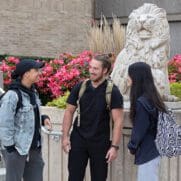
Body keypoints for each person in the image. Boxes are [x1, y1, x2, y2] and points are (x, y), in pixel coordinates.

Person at [62, 54, 124, 181]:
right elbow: (69, 111)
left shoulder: (113, 91)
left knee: (99, 178)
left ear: (105, 70)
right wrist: (65, 137)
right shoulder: (81, 87)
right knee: (74, 177)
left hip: (100, 142)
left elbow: (118, 121)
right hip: (78, 140)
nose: (91, 71)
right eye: (90, 67)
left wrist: (114, 147)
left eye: (95, 68)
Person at [0, 59, 52, 181]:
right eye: (36, 70)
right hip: (17, 149)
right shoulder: (12, 96)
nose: (39, 73)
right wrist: (10, 149)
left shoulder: (33, 92)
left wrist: (43, 118)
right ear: (26, 74)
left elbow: (30, 114)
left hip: (34, 148)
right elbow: (4, 123)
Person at [127, 62, 167, 181]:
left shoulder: (142, 102)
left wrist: (132, 146)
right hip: (154, 149)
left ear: (136, 77)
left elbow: (140, 129)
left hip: (148, 151)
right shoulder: (151, 98)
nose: (127, 78)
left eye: (129, 75)